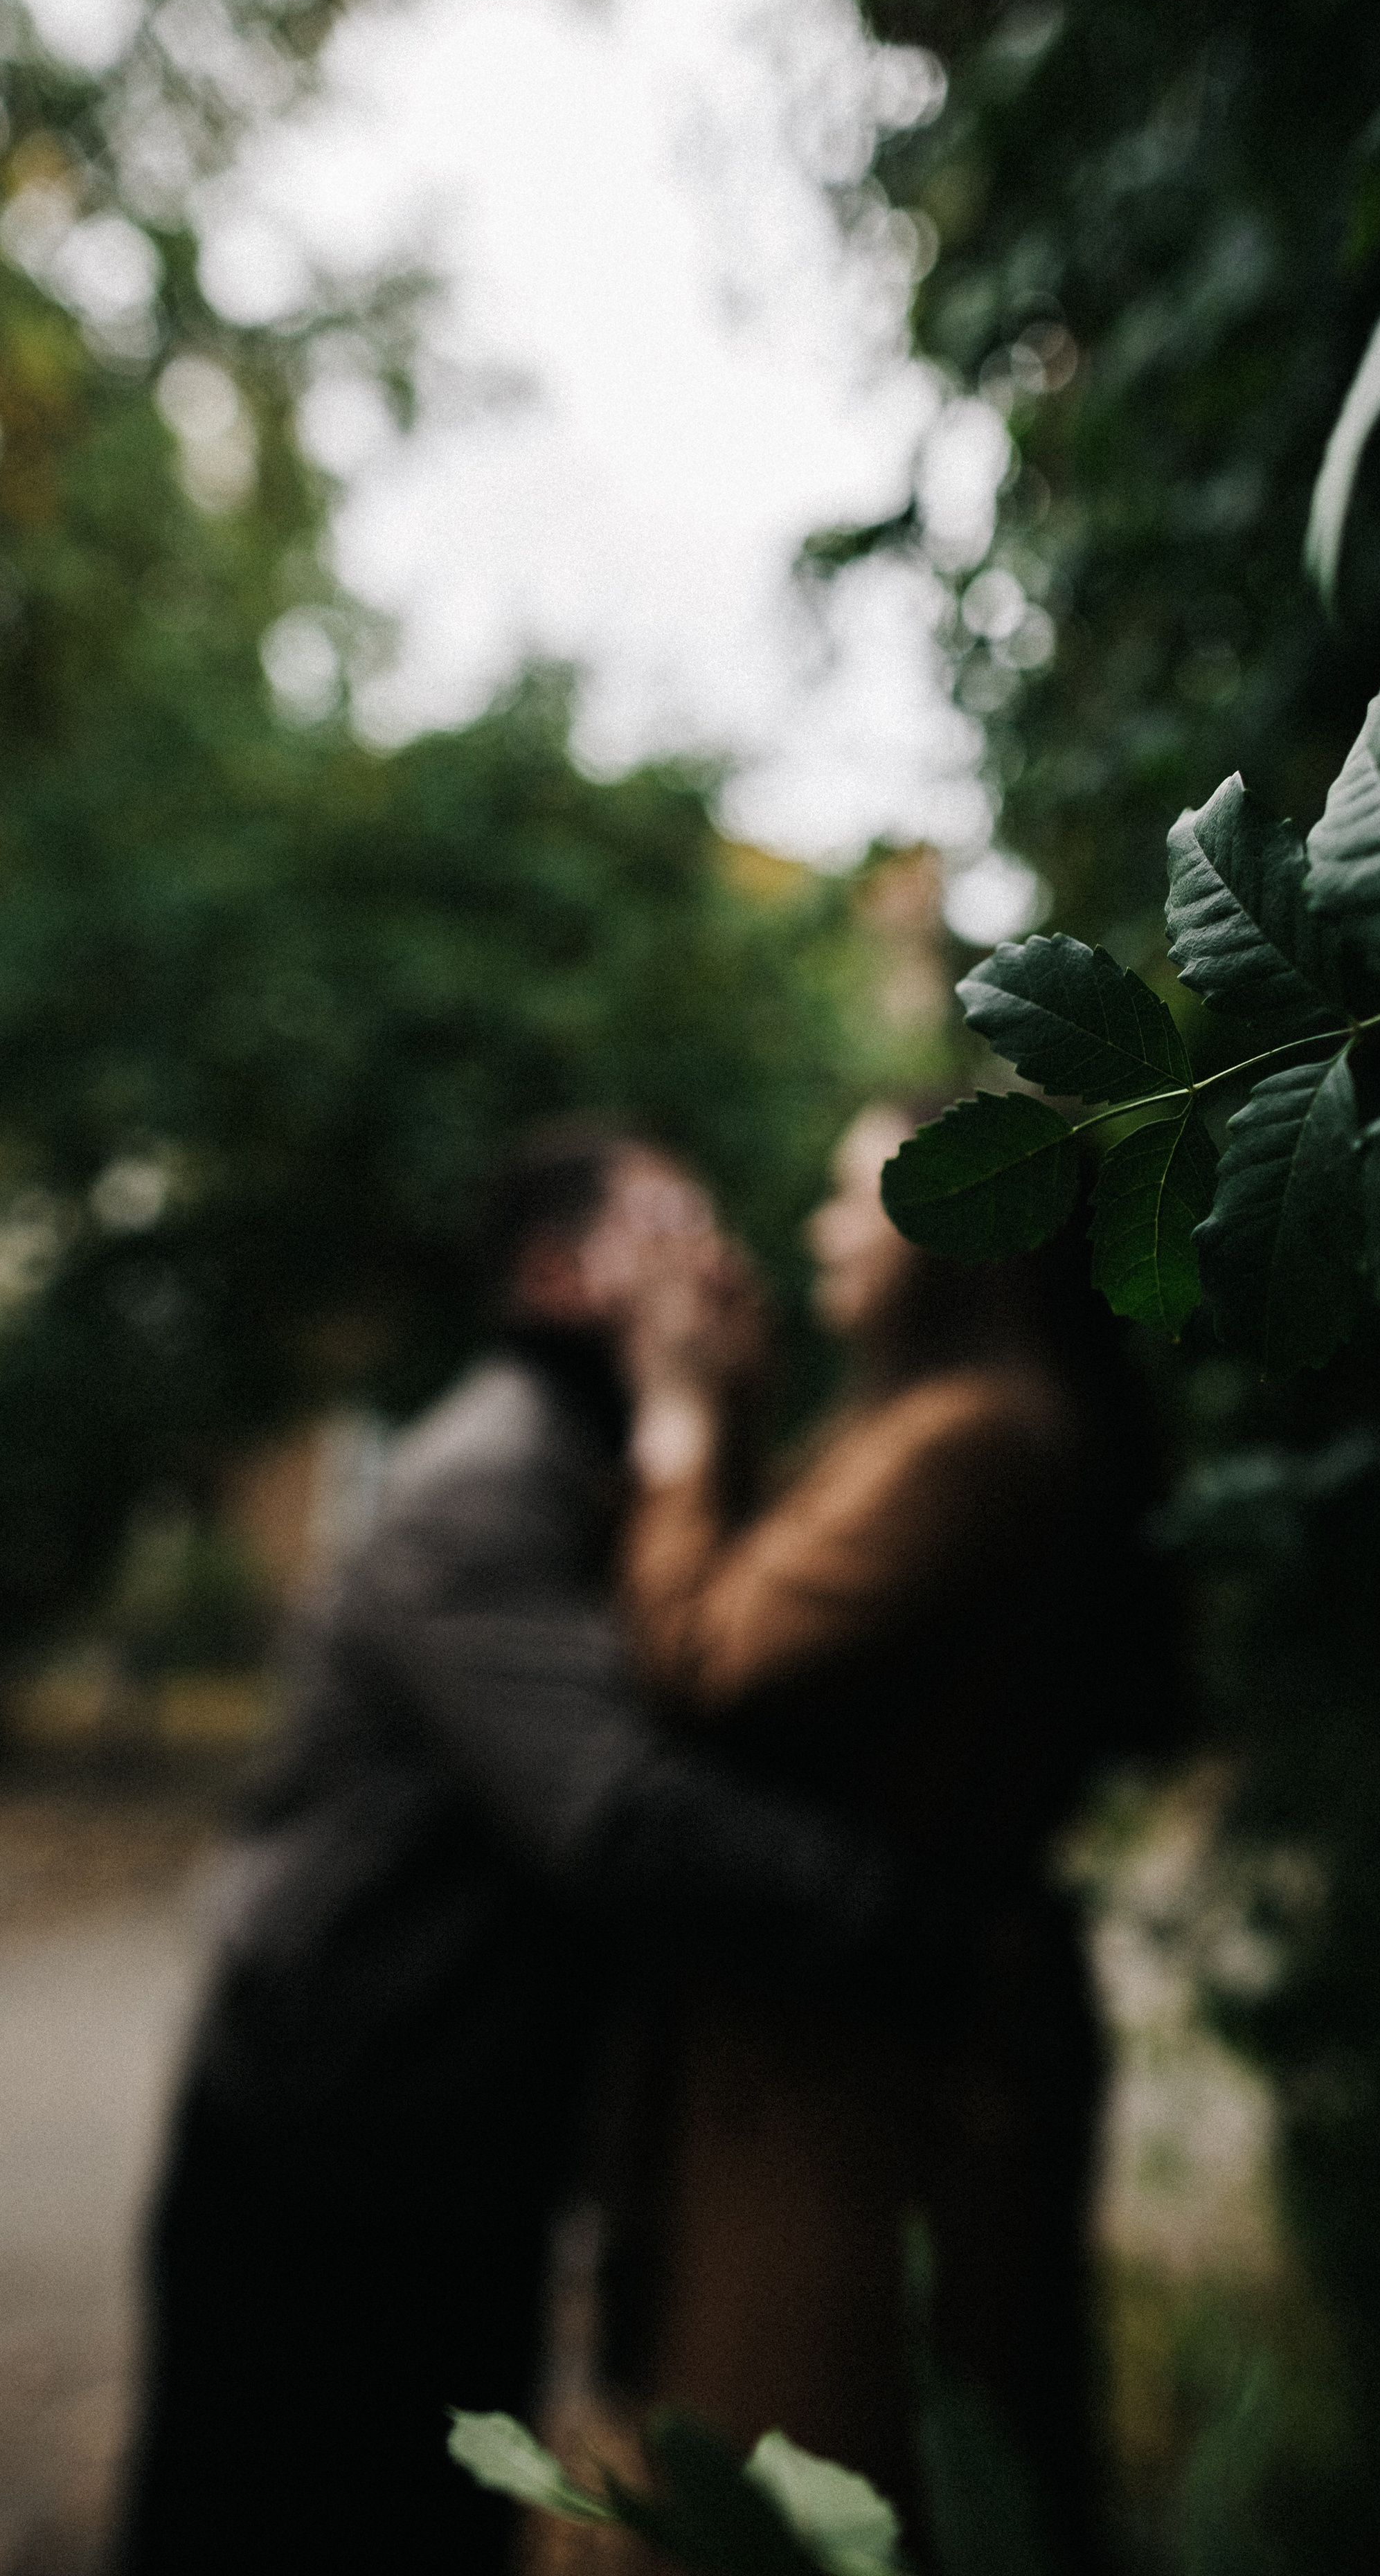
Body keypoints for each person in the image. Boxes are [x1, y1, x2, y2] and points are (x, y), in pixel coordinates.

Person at [111, 1122, 937, 2576]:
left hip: (454, 2135)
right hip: (333, 2138)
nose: (723, 1259)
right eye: (674, 1226)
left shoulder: (612, 1460)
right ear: (559, 1277)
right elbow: (620, 1815)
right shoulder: (485, 1482)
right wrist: (918, 1921)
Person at [601, 1101, 1171, 2567]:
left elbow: (710, 1657)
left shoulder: (973, 1441)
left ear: (962, 1230)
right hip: (855, 2039)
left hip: (870, 2073)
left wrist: (674, 1426)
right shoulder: (934, 1426)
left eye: (857, 1196)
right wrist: (737, 1405)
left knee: (828, 2467)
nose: (822, 1229)